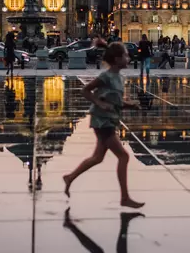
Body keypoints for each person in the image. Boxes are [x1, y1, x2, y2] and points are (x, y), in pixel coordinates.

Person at [62, 39, 145, 209]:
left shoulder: (119, 77)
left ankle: (70, 177)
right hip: (102, 121)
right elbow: (85, 91)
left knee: (97, 157)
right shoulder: (105, 76)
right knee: (123, 156)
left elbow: (116, 100)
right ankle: (125, 197)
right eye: (125, 56)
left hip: (109, 120)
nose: (128, 58)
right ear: (116, 59)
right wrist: (99, 104)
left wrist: (130, 105)